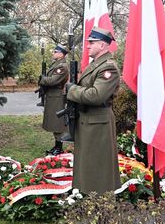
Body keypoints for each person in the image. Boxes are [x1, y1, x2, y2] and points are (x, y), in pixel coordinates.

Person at [65, 26, 121, 194]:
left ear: (103, 45)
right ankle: (87, 195)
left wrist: (71, 90)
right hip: (89, 119)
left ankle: (100, 201)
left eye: (91, 43)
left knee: (98, 165)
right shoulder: (96, 65)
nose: (87, 46)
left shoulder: (108, 68)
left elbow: (96, 95)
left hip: (98, 122)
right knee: (87, 162)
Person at [38, 44, 70, 155]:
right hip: (52, 96)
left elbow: (53, 81)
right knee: (54, 123)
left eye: (55, 51)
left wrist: (42, 79)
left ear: (61, 54)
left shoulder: (62, 66)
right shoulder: (57, 64)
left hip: (57, 97)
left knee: (57, 124)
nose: (53, 53)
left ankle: (59, 148)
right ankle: (57, 146)